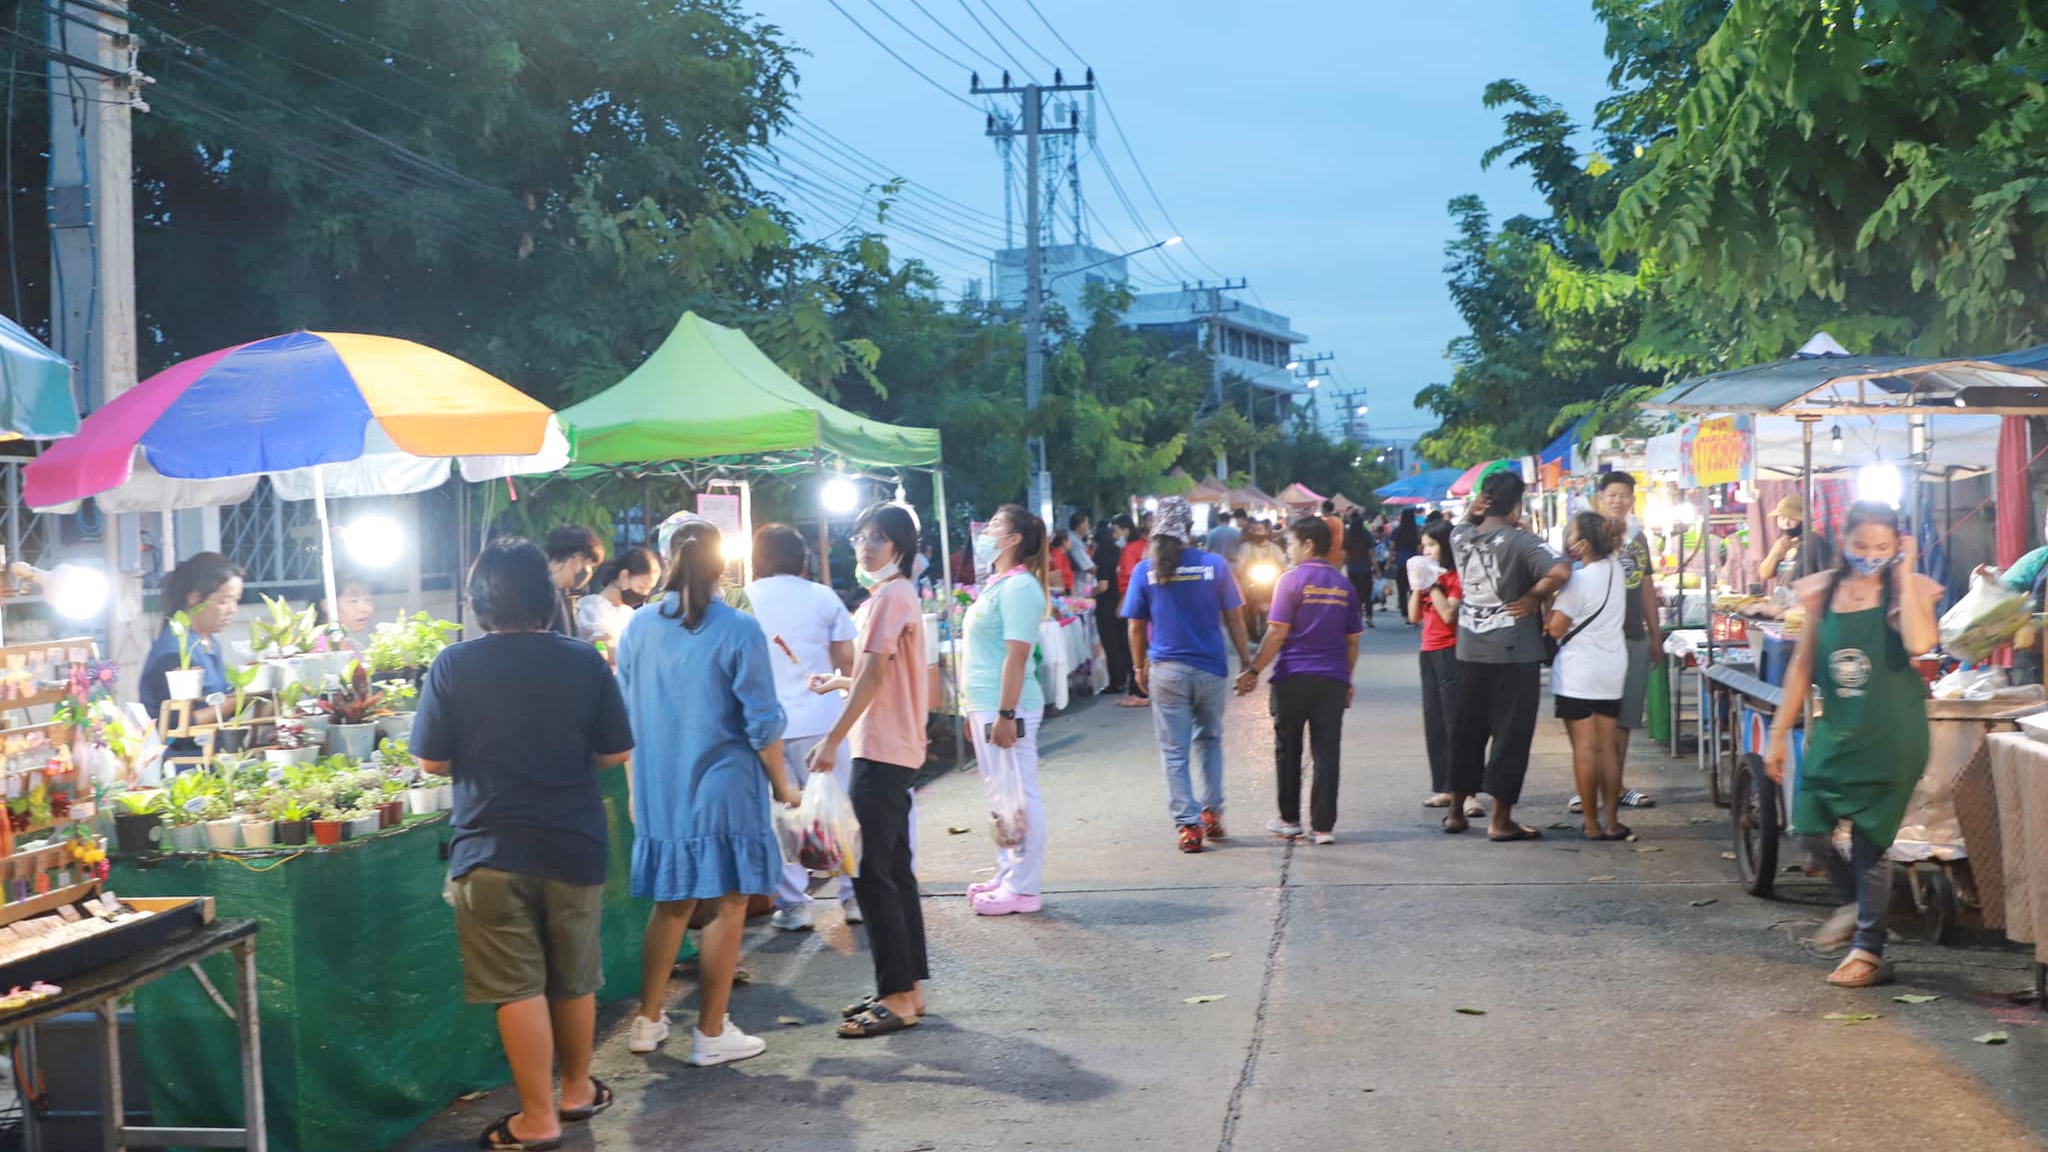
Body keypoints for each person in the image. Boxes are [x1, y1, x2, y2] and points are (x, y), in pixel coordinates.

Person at [412, 538, 635, 1149]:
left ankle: (536, 1120)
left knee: (519, 986)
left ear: (480, 600)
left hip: (490, 847)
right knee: (573, 976)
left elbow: (431, 761)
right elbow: (616, 751)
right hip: (573, 841)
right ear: (546, 594)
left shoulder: (453, 664)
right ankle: (578, 1090)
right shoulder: (583, 661)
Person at [616, 519, 799, 1065]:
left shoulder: (638, 627)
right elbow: (763, 724)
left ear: (667, 560)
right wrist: (783, 786)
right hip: (723, 785)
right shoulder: (739, 629)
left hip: (659, 786)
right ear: (723, 566)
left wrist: (633, 791)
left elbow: (625, 718)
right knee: (728, 902)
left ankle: (647, 1022)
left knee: (671, 902)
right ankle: (712, 1032)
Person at [1766, 501, 1939, 987]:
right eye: (1862, 546)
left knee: (1871, 844)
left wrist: (1903, 571)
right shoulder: (1824, 592)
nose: (1871, 555)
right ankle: (1859, 904)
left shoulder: (1906, 591)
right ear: (1844, 541)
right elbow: (1802, 667)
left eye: (1883, 547)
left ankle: (1869, 949)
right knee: (1810, 827)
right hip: (1837, 732)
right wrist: (1778, 736)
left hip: (1892, 735)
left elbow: (1921, 644)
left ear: (1898, 545)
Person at [804, 503, 931, 1038]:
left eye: (877, 538)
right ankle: (907, 989)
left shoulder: (888, 598)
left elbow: (875, 673)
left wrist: (832, 739)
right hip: (893, 745)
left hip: (881, 750)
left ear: (899, 547)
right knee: (893, 872)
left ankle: (898, 997)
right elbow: (872, 673)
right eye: (860, 536)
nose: (865, 546)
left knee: (873, 874)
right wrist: (839, 685)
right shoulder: (893, 596)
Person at [742, 524, 859, 932]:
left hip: (765, 728)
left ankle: (794, 904)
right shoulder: (822, 597)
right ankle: (853, 896)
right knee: (837, 809)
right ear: (802, 558)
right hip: (822, 722)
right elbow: (847, 659)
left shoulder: (742, 599)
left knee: (781, 816)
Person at [1446, 470, 1572, 842]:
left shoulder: (1460, 537)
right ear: (1518, 505)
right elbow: (1561, 570)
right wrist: (1534, 597)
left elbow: (1464, 523)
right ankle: (1500, 821)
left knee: (1466, 732)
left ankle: (1456, 811)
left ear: (1484, 501)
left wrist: (1472, 510)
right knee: (1510, 736)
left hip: (1469, 650)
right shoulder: (1521, 541)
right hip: (1514, 653)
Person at [1123, 496, 1252, 854]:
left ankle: (1188, 826)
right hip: (1211, 669)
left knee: (1174, 751)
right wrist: (1246, 662)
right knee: (1209, 740)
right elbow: (1235, 618)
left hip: (1167, 672)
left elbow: (1136, 626)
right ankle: (1212, 813)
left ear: (1153, 528)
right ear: (1190, 529)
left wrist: (1138, 667)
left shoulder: (1144, 570)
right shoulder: (1215, 565)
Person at [1236, 514, 1359, 844]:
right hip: (1331, 679)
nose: (1287, 550)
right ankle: (1323, 828)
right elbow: (1352, 642)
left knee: (1287, 749)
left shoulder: (1289, 581)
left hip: (1292, 677)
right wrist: (1346, 680)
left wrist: (1253, 671)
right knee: (1326, 752)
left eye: (1289, 543)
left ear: (1307, 544)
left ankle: (1289, 820)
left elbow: (1276, 633)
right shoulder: (1344, 585)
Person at [962, 505, 1052, 914]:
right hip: (986, 704)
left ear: (1014, 539)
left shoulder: (1019, 588)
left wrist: (1005, 714)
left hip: (1007, 707)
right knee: (1001, 795)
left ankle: (1024, 888)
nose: (986, 529)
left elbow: (1016, 656)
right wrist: (974, 710)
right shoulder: (999, 583)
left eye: (996, 524)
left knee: (1020, 794)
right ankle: (1008, 873)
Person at [1569, 472, 1662, 815]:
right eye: (1612, 495)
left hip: (1633, 637)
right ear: (1601, 499)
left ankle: (1616, 786)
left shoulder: (1639, 539)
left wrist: (1656, 633)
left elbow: (1648, 587)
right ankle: (1587, 788)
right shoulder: (1587, 537)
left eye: (1624, 495)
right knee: (1591, 720)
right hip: (1594, 644)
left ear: (1632, 500)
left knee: (1624, 720)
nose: (1618, 500)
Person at [1546, 512, 1630, 840]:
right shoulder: (1617, 570)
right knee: (1606, 748)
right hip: (1611, 669)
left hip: (1578, 672)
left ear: (1582, 544)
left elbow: (1555, 629)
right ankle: (1612, 822)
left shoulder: (1577, 581)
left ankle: (1592, 824)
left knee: (1584, 747)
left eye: (1572, 535)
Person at [139, 553, 242, 758]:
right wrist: (237, 701)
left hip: (215, 757)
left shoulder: (210, 643)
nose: (232, 610)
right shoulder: (172, 652)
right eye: (224, 601)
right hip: (184, 766)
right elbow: (179, 725)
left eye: (236, 601)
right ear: (195, 599)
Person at [1411, 519, 1481, 817]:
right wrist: (1418, 586)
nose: (1426, 551)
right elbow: (1414, 615)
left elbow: (1449, 615)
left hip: (1452, 651)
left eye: (1432, 545)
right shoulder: (1429, 578)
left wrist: (1434, 585)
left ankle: (1467, 793)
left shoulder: (1454, 578)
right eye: (1423, 546)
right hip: (1428, 652)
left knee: (1457, 722)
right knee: (1435, 721)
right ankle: (1445, 786)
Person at [576, 547, 661, 660]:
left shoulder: (628, 613)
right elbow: (601, 645)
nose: (645, 594)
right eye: (642, 587)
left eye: (649, 589)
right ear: (624, 576)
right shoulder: (592, 607)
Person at [1758, 494, 1833, 588]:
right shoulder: (1782, 544)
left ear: (1802, 520)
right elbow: (1765, 574)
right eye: (1782, 518)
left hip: (1806, 600)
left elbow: (1829, 578)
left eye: (1791, 518)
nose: (1786, 523)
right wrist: (1775, 552)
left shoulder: (1816, 543)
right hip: (1785, 599)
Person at [544, 525, 606, 637]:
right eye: (590, 565)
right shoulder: (546, 595)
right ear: (576, 560)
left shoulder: (564, 595)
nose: (589, 572)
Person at [1118, 513, 1153, 707]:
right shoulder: (1140, 548)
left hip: (1137, 601)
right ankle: (1141, 688)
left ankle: (1140, 691)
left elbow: (1132, 577)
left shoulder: (1133, 549)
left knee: (1135, 640)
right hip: (1146, 601)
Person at [1236, 519, 1289, 643]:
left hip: (1270, 584)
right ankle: (1250, 633)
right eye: (1253, 530)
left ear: (1266, 531)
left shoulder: (1274, 548)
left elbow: (1283, 565)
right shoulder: (1245, 548)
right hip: (1250, 585)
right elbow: (1239, 566)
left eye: (1259, 530)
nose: (1255, 533)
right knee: (1245, 608)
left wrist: (1281, 571)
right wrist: (1243, 573)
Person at [312, 572, 376, 653]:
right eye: (353, 601)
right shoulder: (318, 649)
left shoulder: (346, 643)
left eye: (368, 600)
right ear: (327, 605)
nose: (366, 609)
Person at [1343, 510, 1377, 629]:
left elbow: (1345, 554)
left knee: (1354, 594)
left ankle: (1357, 616)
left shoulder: (1348, 536)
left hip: (1352, 569)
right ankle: (1369, 616)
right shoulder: (1367, 534)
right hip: (1365, 568)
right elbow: (1372, 553)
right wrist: (1377, 569)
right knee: (1367, 594)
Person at [1391, 509, 1423, 625]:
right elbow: (1420, 548)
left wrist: (1390, 560)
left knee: (1401, 590)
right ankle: (1415, 614)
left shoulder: (1397, 531)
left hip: (1401, 563)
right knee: (1414, 589)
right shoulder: (1417, 531)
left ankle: (1405, 615)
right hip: (1414, 564)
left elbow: (1392, 547)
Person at [1067, 512, 1097, 594]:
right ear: (1080, 526)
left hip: (1081, 583)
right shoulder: (1075, 543)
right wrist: (1107, 572)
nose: (1088, 526)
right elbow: (1088, 567)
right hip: (1079, 585)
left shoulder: (1076, 540)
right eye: (1086, 524)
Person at [1319, 499, 1348, 569]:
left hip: (1326, 558)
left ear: (1323, 509)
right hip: (1338, 558)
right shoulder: (1339, 521)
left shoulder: (1324, 522)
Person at [1046, 528, 1076, 595]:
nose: (1071, 542)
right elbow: (1058, 574)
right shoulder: (1057, 555)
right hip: (1061, 592)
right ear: (1064, 541)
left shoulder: (1061, 555)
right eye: (1069, 540)